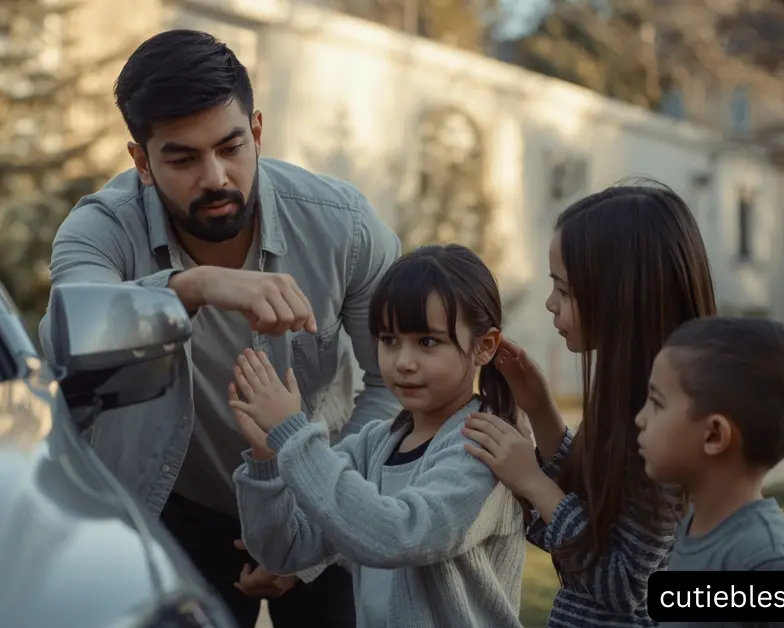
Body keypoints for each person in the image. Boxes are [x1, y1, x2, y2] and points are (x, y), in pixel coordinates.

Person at [36, 29, 402, 628]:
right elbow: (69, 333)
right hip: (180, 506)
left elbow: (392, 388)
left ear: (257, 131)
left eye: (231, 147)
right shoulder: (100, 227)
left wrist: (318, 525)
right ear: (141, 162)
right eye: (182, 159)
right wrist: (196, 287)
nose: (215, 177)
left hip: (327, 494)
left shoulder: (345, 228)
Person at [458, 181, 717, 626]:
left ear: (622, 295)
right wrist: (541, 412)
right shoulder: (634, 398)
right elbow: (593, 516)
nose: (550, 303)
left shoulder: (665, 425)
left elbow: (622, 584)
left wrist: (534, 483)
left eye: (565, 290)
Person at [230, 244, 526, 628]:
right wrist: (266, 459)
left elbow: (400, 535)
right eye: (389, 340)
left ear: (484, 346)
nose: (403, 362)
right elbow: (284, 551)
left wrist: (294, 437)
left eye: (427, 342)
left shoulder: (484, 447)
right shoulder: (373, 445)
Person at [635, 316, 784, 628]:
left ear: (714, 435)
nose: (640, 419)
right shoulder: (695, 526)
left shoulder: (767, 561)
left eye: (656, 403)